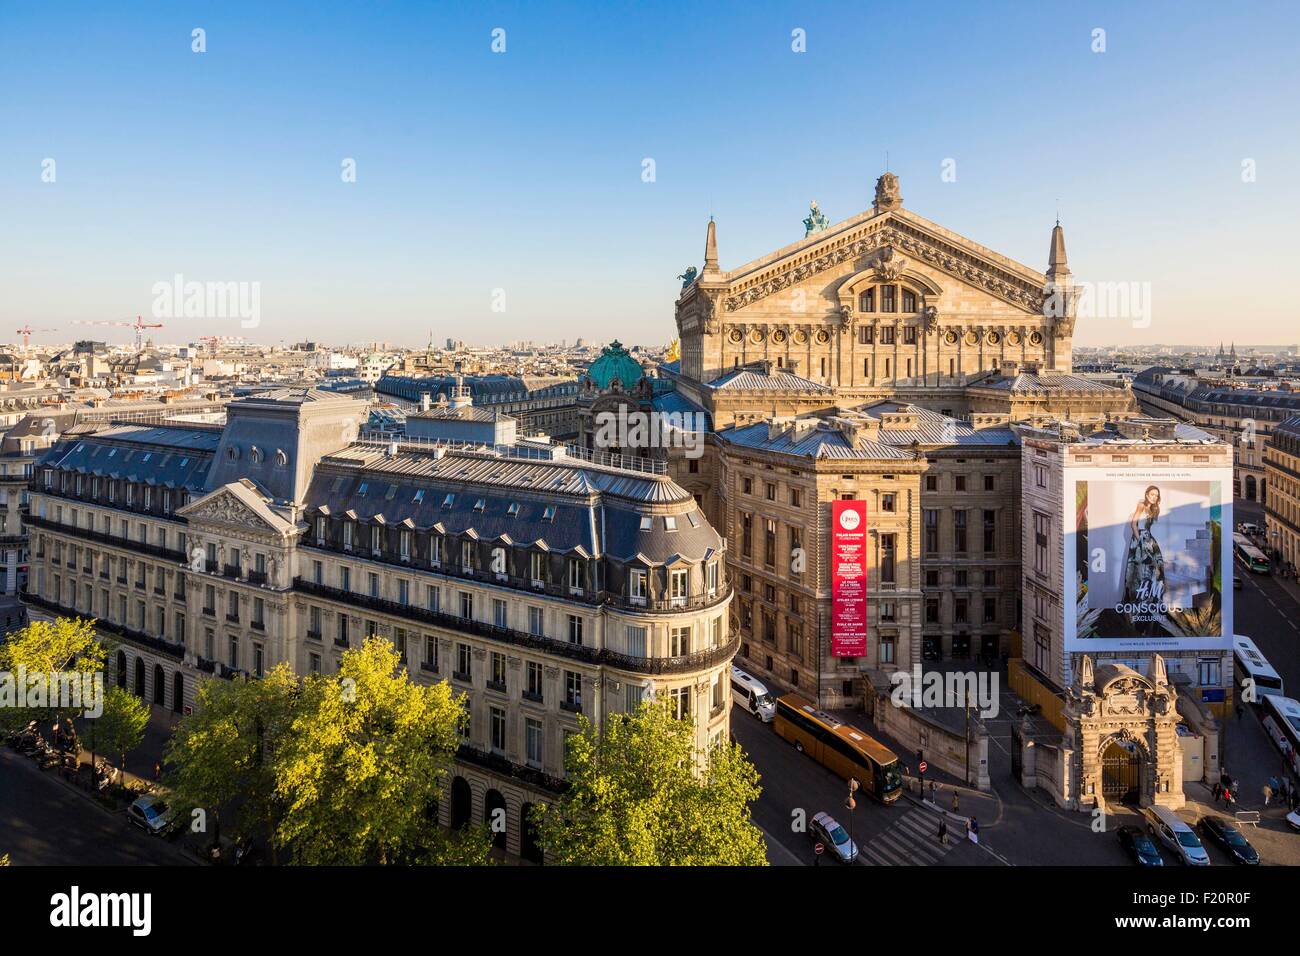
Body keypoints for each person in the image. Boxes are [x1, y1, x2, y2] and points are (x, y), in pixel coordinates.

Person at [1124, 486, 1167, 635]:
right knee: (1140, 575)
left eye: (1157, 495)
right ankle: (1136, 616)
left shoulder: (1154, 510)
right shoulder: (1141, 505)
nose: (1154, 497)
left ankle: (1149, 612)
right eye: (1152, 494)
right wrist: (1140, 543)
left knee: (1158, 573)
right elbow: (1133, 524)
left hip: (1150, 540)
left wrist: (1149, 544)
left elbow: (1149, 529)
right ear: (1147, 494)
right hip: (1141, 541)